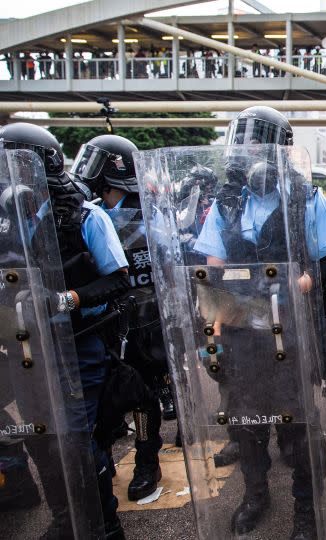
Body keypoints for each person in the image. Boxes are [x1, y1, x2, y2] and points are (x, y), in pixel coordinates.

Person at [191, 105, 326, 537]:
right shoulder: (226, 204)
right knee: (245, 420)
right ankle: (255, 493)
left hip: (289, 327)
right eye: (242, 140)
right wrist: (212, 335)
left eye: (257, 141)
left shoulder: (305, 198)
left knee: (296, 422)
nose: (247, 150)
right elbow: (211, 272)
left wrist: (302, 283)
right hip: (240, 329)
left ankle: (305, 509)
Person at [0, 122, 130, 538]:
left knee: (74, 444)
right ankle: (64, 519)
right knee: (39, 438)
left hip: (77, 346)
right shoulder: (7, 222)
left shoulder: (85, 216)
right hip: (24, 351)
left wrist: (64, 299)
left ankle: (104, 523)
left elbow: (118, 279)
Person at [70, 134, 171, 502]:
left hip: (143, 321)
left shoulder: (149, 216)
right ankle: (103, 463)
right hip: (101, 325)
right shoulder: (85, 211)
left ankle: (147, 461)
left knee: (142, 397)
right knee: (104, 399)